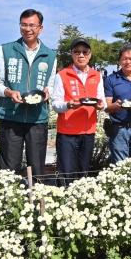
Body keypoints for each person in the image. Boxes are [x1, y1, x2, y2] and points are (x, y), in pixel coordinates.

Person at [0, 9, 57, 177]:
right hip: (11, 115)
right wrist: (8, 92)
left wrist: (48, 91)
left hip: (37, 117)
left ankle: (35, 200)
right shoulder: (5, 50)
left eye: (32, 25)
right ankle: (9, 200)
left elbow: (50, 83)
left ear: (40, 28)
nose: (28, 29)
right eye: (24, 25)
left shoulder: (50, 55)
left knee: (37, 165)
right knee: (9, 165)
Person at [51, 38, 105, 185]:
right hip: (67, 132)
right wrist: (68, 105)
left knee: (83, 171)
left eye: (84, 52)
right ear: (71, 54)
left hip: (88, 131)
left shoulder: (97, 75)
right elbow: (55, 104)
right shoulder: (62, 75)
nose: (81, 55)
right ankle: (64, 200)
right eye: (77, 52)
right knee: (66, 172)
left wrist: (100, 106)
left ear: (90, 54)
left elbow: (102, 101)